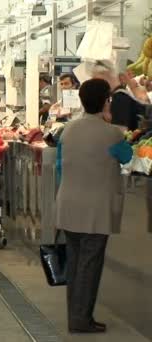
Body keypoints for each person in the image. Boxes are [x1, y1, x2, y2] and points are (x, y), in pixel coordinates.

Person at [55, 78, 132, 334]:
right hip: (95, 211)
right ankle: (81, 320)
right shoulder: (112, 133)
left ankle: (74, 317)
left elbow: (59, 167)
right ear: (105, 101)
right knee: (89, 267)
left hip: (68, 206)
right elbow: (127, 156)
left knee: (75, 265)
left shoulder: (67, 130)